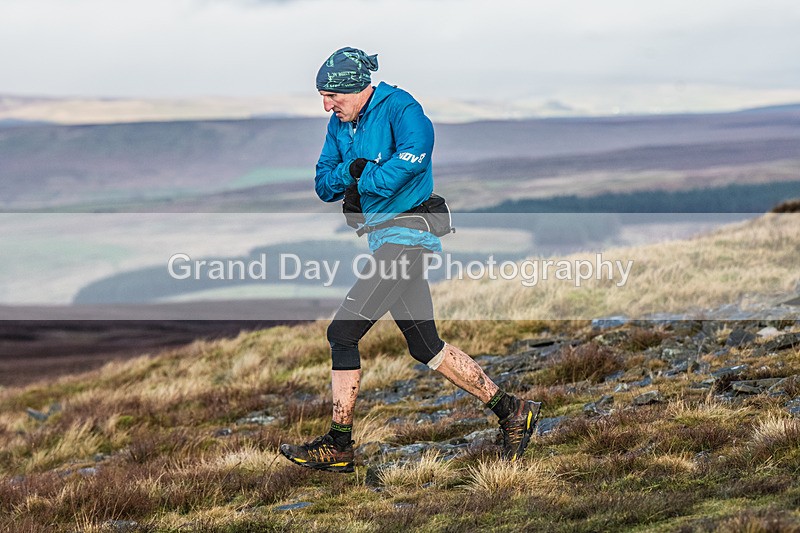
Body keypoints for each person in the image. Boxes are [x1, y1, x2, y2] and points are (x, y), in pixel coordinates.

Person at [279, 47, 541, 473]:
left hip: (410, 239)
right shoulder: (339, 124)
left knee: (342, 334)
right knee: (426, 347)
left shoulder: (403, 108)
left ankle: (339, 446)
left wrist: (361, 177)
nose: (326, 105)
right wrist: (356, 171)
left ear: (357, 89)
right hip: (384, 240)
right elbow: (323, 184)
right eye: (322, 97)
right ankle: (514, 410)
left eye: (332, 96)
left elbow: (409, 166)